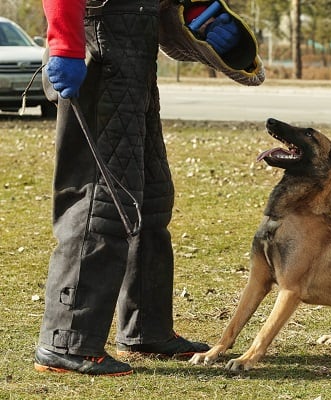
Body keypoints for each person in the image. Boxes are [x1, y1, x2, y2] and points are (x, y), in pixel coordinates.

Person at [34, 0, 241, 376]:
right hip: (96, 50)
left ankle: (146, 329)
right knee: (102, 199)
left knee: (150, 197)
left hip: (136, 57)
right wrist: (65, 45)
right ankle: (66, 341)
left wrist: (200, 14)